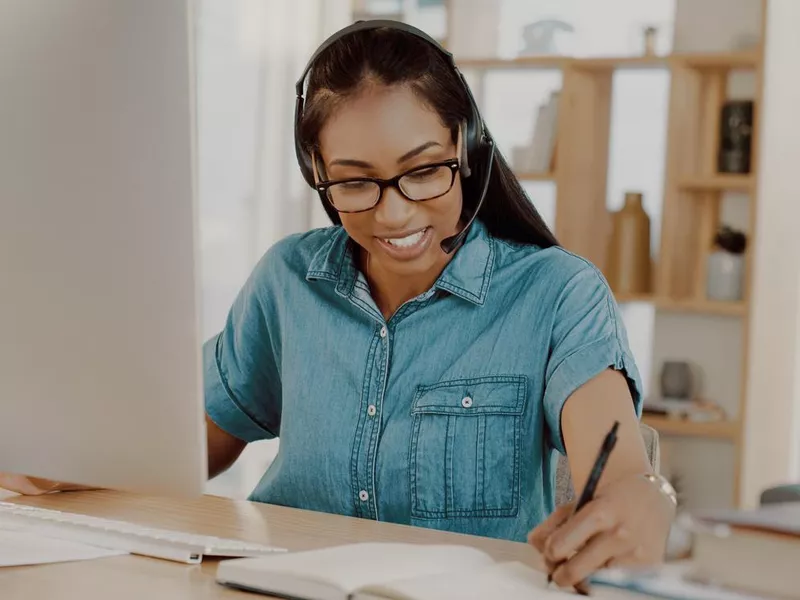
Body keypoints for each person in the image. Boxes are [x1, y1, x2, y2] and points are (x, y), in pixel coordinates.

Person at [1, 21, 676, 590]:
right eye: (354, 183)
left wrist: (642, 498)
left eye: (422, 170)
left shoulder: (557, 294)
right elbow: (171, 450)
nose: (394, 211)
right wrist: (57, 460)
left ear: (466, 150)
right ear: (317, 176)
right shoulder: (288, 280)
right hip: (266, 587)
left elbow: (616, 473)